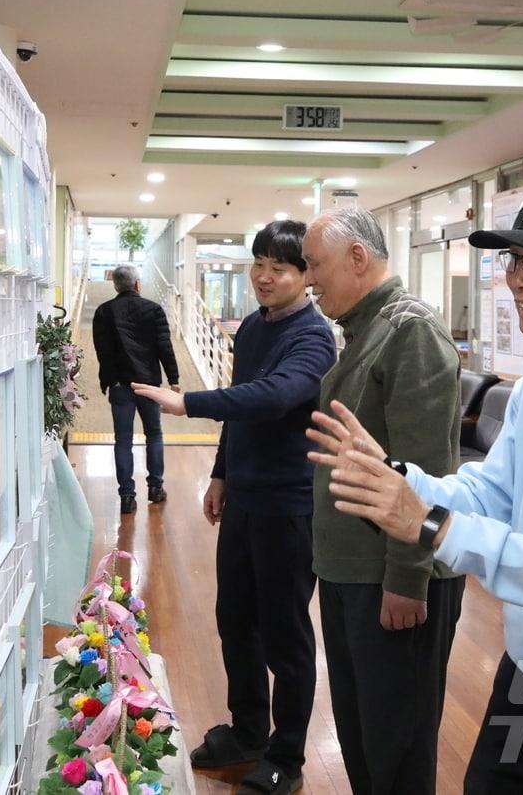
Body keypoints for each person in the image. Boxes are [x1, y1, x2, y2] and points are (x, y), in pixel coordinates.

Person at [308, 177, 523, 794]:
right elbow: (491, 493)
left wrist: (426, 526)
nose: (519, 278)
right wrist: (399, 480)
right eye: (516, 259)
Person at [132, 220, 335, 795]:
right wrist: (221, 473)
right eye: (260, 264)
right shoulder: (251, 327)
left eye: (281, 268)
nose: (265, 277)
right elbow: (241, 412)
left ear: (305, 277)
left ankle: (288, 757)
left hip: (290, 507)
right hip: (245, 500)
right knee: (235, 621)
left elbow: (272, 399)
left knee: (285, 635)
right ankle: (248, 731)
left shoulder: (312, 337)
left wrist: (186, 401)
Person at [299, 207, 464, 795]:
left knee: (396, 744)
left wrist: (408, 577)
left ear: (358, 258)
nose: (309, 279)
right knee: (364, 736)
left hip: (390, 576)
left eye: (315, 265)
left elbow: (427, 473)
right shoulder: (366, 330)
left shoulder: (409, 330)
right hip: (352, 570)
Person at [92, 263, 180, 514]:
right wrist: (173, 379)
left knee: (123, 441)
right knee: (154, 434)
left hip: (120, 386)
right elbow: (165, 346)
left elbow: (103, 352)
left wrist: (108, 380)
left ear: (116, 285)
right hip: (149, 385)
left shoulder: (103, 312)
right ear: (138, 284)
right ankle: (155, 488)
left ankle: (127, 497)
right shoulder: (153, 310)